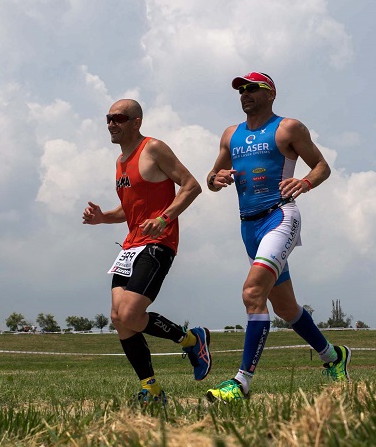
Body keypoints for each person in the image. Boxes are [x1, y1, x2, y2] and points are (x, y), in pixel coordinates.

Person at [204, 72, 351, 402]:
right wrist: (218, 178)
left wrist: (306, 182)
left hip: (280, 216)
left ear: (271, 94)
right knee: (285, 308)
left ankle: (241, 382)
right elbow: (211, 179)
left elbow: (322, 166)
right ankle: (334, 357)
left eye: (252, 88)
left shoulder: (288, 128)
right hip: (248, 226)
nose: (245, 94)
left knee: (252, 291)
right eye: (241, 90)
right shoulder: (231, 134)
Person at [83, 98, 212, 403]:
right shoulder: (120, 162)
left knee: (130, 312)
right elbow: (130, 211)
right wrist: (103, 218)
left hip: (158, 243)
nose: (112, 124)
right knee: (118, 317)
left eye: (119, 118)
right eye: (108, 119)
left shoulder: (153, 148)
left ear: (136, 121)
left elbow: (191, 185)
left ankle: (193, 340)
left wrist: (165, 217)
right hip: (130, 246)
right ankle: (151, 389)